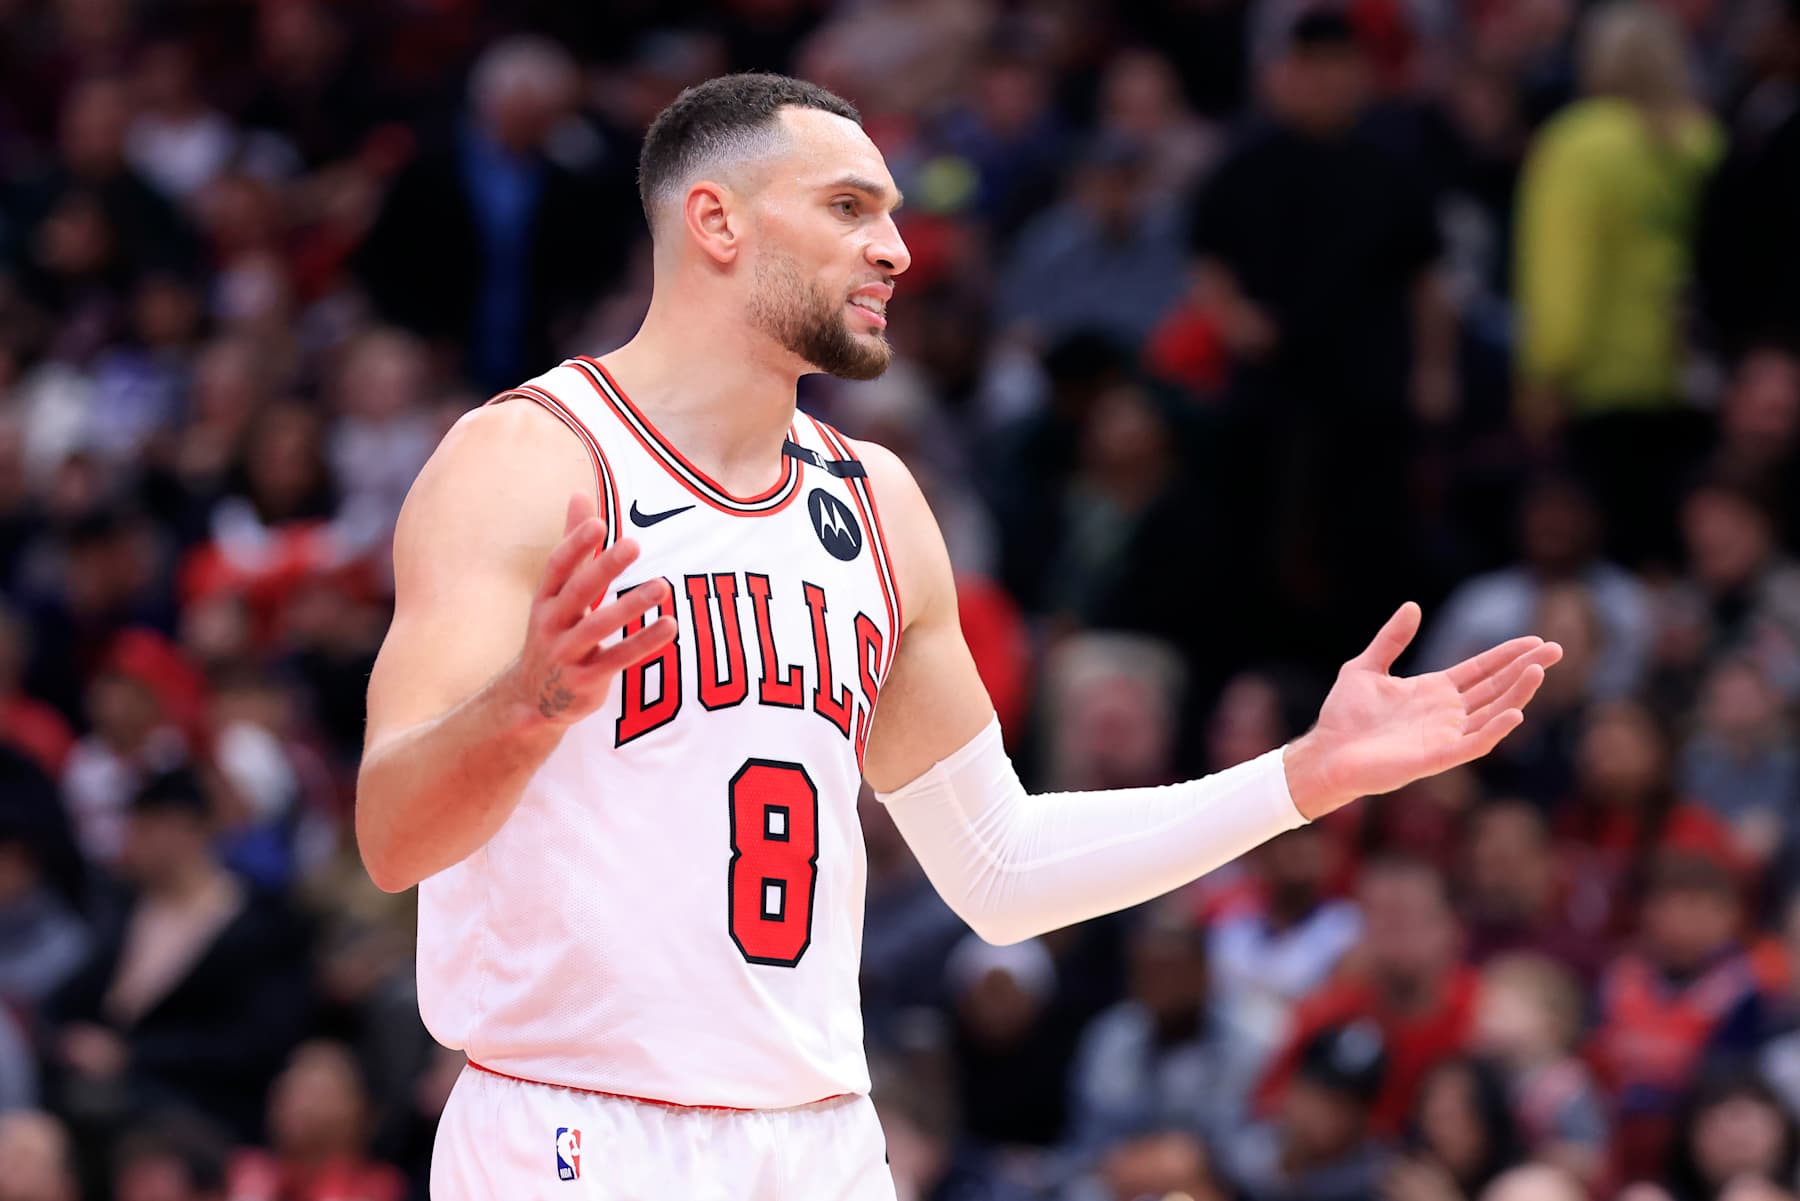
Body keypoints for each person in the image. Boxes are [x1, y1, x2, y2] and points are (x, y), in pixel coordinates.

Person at [354, 72, 1563, 1199]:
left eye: (892, 213)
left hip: (819, 1137)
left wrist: (1299, 779)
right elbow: (392, 836)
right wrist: (527, 704)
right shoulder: (527, 462)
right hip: (579, 1130)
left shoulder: (877, 504)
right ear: (715, 224)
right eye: (847, 208)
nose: (895, 246)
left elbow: (1000, 865)